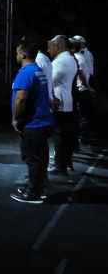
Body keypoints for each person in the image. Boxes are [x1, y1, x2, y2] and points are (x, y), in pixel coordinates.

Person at [10, 38, 54, 204]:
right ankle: (37, 187)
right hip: (42, 122)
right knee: (40, 158)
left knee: (32, 159)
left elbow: (21, 99)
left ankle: (33, 193)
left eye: (17, 52)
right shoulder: (37, 70)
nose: (16, 55)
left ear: (22, 54)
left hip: (33, 124)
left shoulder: (26, 72)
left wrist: (15, 119)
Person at [47, 35, 77, 177]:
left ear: (58, 46)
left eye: (51, 46)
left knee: (59, 135)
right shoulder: (69, 58)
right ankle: (63, 163)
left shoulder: (62, 61)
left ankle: (59, 165)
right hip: (66, 101)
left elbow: (50, 80)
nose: (49, 49)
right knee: (63, 134)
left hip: (60, 102)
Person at [69, 37, 95, 149]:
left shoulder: (78, 57)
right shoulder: (83, 56)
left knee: (79, 116)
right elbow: (90, 73)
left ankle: (78, 140)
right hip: (82, 89)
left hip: (80, 89)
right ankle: (81, 138)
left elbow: (83, 74)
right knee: (82, 115)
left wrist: (88, 87)